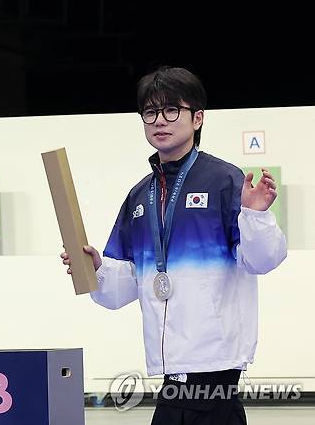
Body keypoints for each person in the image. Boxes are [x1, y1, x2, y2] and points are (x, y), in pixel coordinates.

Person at [60, 66, 287, 424]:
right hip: (170, 376)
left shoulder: (224, 179)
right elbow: (123, 288)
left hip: (216, 374)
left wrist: (255, 215)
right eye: (150, 112)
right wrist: (97, 268)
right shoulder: (141, 195)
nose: (159, 121)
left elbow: (262, 260)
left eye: (171, 110)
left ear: (197, 118)